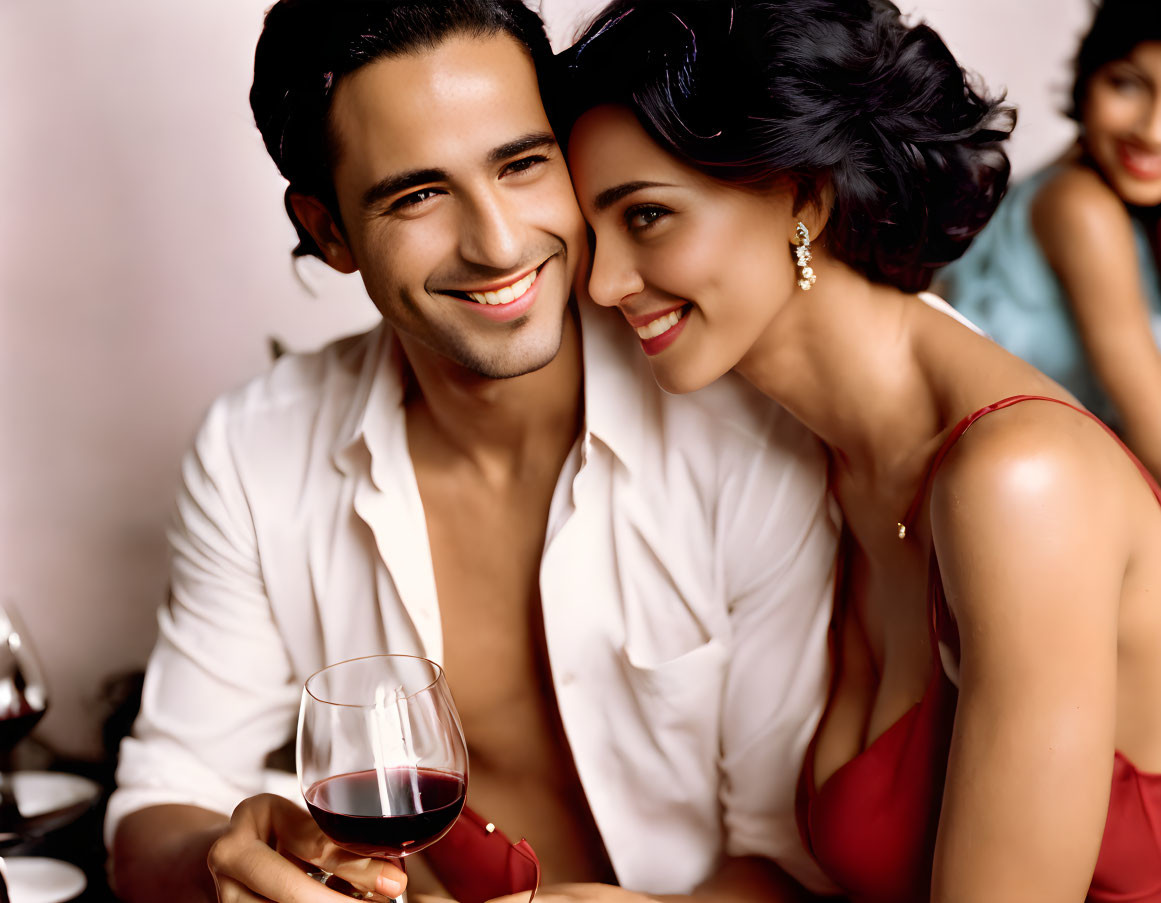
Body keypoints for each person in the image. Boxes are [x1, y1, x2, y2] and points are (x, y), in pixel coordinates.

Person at [106, 2, 840, 902]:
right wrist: (220, 862)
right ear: (329, 230)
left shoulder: (744, 428)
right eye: (417, 194)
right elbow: (159, 803)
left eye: (522, 163)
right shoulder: (255, 453)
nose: (497, 244)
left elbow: (798, 863)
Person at [561, 1, 1161, 900]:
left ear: (806, 193)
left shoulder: (1020, 483)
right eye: (590, 234)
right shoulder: (818, 459)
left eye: (645, 216)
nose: (603, 283)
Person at [938, 0, 1161, 482]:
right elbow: (1154, 431)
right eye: (1127, 83)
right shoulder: (1080, 206)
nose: (1152, 130)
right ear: (1087, 79)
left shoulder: (1106, 196)